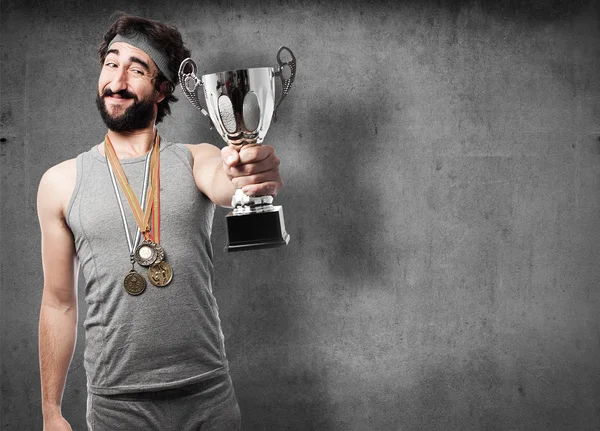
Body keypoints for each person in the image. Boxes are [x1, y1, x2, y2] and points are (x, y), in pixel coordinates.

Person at [37, 13, 283, 431]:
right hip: (117, 405)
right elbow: (58, 303)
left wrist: (250, 169)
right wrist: (50, 411)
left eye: (137, 69)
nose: (117, 81)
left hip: (207, 395)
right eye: (111, 64)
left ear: (163, 88)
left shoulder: (196, 158)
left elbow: (229, 184)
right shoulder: (60, 182)